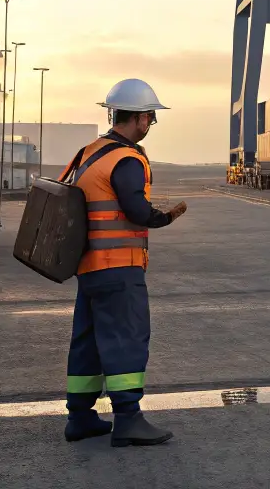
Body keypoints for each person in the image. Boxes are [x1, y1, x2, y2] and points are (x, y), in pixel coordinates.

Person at [61, 78, 189, 447]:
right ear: (142, 119)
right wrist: (163, 218)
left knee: (87, 342)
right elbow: (136, 211)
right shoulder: (128, 158)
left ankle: (80, 417)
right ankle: (128, 419)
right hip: (120, 267)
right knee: (126, 338)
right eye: (150, 118)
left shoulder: (86, 153)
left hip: (88, 266)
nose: (149, 125)